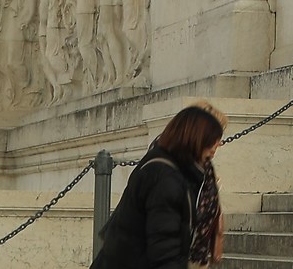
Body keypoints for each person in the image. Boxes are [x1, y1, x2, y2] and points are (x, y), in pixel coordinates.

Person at [89, 101, 226, 269]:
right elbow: (164, 248)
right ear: (197, 140)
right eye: (212, 142)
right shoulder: (166, 178)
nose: (215, 149)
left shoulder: (170, 168)